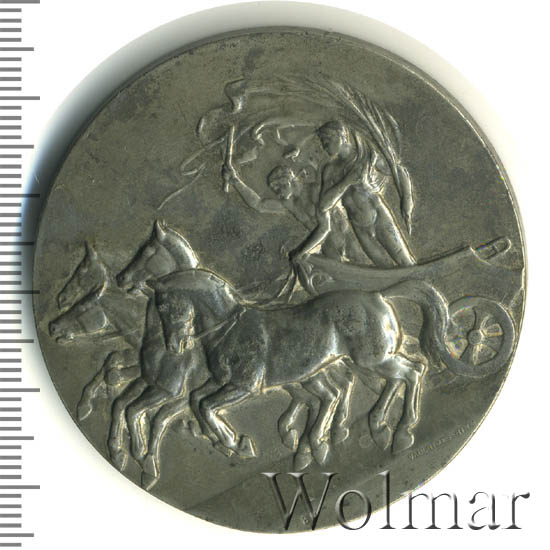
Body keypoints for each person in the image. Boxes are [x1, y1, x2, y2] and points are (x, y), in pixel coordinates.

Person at [292, 121, 416, 268]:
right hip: (359, 227)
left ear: (341, 135)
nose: (324, 146)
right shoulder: (330, 170)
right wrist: (346, 182)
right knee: (384, 268)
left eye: (327, 140)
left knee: (405, 262)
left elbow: (398, 171)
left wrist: (407, 202)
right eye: (322, 142)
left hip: (379, 217)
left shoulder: (365, 156)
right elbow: (324, 206)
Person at [222, 162, 364, 262]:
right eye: (275, 190)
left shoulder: (315, 191)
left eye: (278, 187)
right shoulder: (289, 204)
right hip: (327, 248)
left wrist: (301, 251)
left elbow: (325, 228)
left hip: (345, 239)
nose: (277, 193)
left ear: (288, 181)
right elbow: (259, 204)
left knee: (359, 262)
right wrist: (235, 181)